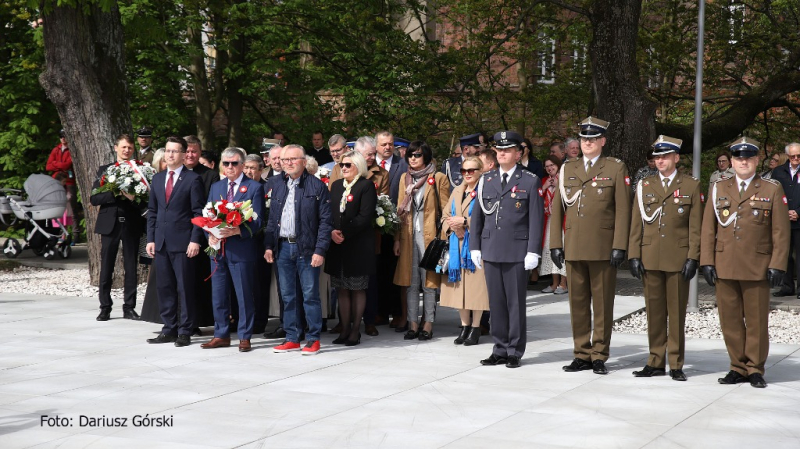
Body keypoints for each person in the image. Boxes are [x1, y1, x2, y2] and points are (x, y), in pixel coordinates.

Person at [700, 137, 789, 388]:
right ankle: (736, 366)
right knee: (729, 320)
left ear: (757, 160)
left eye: (748, 158)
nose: (743, 162)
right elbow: (709, 227)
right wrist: (707, 260)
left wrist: (778, 264)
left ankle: (755, 368)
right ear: (732, 161)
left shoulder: (771, 188)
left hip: (757, 265)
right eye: (739, 158)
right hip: (725, 262)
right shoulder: (719, 187)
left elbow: (780, 231)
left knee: (757, 320)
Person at [550, 116, 631, 375]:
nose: (587, 143)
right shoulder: (568, 168)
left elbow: (622, 210)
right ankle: (581, 353)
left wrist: (620, 245)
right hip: (573, 246)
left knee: (603, 304)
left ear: (602, 141)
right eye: (584, 139)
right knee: (578, 304)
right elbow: (557, 209)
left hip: (602, 247)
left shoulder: (615, 168)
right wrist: (555, 244)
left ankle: (599, 354)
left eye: (593, 139)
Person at [628, 135, 702, 381]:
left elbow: (695, 227)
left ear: (676, 158)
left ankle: (676, 363)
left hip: (678, 257)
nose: (660, 161)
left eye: (665, 156)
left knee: (677, 312)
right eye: (657, 157)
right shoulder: (645, 185)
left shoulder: (690, 185)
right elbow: (636, 223)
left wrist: (693, 257)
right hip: (650, 256)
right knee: (654, 312)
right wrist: (634, 255)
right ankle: (655, 361)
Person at [469, 131, 543, 368]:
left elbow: (536, 220)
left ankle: (514, 350)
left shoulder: (529, 180)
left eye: (507, 149)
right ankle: (499, 348)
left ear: (518, 153)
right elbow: (478, 216)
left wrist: (533, 250)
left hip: (516, 250)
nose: (502, 153)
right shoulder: (486, 179)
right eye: (499, 150)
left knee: (515, 303)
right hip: (490, 248)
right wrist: (475, 247)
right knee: (496, 303)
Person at [264, 144, 332, 355]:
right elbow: (271, 219)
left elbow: (325, 222)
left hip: (307, 249)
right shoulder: (275, 184)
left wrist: (320, 250)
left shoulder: (317, 186)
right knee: (287, 295)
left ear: (304, 161)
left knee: (310, 295)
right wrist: (268, 246)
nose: (289, 163)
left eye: (293, 159)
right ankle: (292, 337)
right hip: (282, 247)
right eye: (285, 160)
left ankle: (313, 338)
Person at [201, 147, 265, 352]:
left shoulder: (253, 187)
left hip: (241, 250)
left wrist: (238, 230)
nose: (230, 167)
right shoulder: (216, 186)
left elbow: (259, 221)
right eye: (226, 163)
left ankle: (245, 335)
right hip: (218, 250)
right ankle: (221, 334)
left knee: (244, 294)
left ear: (242, 165)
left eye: (234, 163)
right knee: (218, 294)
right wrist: (209, 234)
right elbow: (207, 215)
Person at [144, 136, 205, 347]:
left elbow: (199, 213)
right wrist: (150, 238)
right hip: (160, 242)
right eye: (168, 151)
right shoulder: (158, 179)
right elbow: (153, 211)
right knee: (165, 287)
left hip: (183, 243)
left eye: (175, 151)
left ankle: (185, 330)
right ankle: (168, 328)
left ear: (183, 154)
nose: (170, 155)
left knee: (185, 288)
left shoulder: (192, 179)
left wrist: (195, 240)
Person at [393, 141, 449, 341]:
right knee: (411, 282)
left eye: (417, 155)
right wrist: (397, 240)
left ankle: (428, 324)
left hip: (430, 237)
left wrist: (442, 240)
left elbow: (445, 211)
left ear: (426, 156)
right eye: (410, 155)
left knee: (429, 283)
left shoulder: (438, 178)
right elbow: (400, 211)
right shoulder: (404, 178)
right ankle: (412, 323)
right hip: (408, 236)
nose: (413, 158)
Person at [89, 134, 144, 321]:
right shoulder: (105, 170)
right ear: (116, 148)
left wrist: (133, 196)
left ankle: (129, 307)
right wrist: (115, 193)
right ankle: (105, 306)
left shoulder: (140, 170)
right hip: (109, 223)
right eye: (124, 147)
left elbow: (145, 200)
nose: (127, 150)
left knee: (131, 266)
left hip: (131, 223)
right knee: (106, 266)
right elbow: (94, 198)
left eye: (130, 147)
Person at [325, 150, 377, 346]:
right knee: (341, 288)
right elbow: (330, 213)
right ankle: (344, 327)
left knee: (357, 288)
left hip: (358, 244)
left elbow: (365, 216)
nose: (344, 168)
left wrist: (344, 232)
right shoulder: (337, 186)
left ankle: (356, 330)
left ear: (359, 166)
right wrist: (332, 232)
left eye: (348, 165)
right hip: (338, 245)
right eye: (342, 165)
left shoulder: (366, 186)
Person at [440, 156, 489, 346]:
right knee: (459, 288)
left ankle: (476, 327)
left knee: (476, 289)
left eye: (471, 170)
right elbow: (445, 215)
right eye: (464, 171)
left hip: (476, 246)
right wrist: (453, 226)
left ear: (480, 171)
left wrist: (465, 223)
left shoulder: (485, 190)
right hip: (456, 244)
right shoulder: (457, 191)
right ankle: (464, 326)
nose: (467, 174)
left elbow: (488, 219)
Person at [353, 136, 390, 335]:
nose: (372, 157)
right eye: (369, 154)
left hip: (370, 234)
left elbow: (384, 203)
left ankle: (370, 320)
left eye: (373, 154)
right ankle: (346, 321)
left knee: (370, 280)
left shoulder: (381, 174)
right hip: (347, 236)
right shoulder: (342, 168)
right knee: (345, 280)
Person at [373, 131, 409, 331]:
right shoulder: (369, 165)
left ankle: (397, 312)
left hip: (394, 225)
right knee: (377, 270)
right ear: (376, 146)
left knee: (393, 270)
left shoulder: (402, 165)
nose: (388, 147)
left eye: (391, 144)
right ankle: (379, 311)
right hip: (373, 227)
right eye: (384, 144)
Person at [767, 142, 800, 298]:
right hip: (783, 220)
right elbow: (773, 195)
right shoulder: (778, 172)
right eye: (793, 156)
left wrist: (798, 212)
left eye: (799, 156)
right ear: (788, 156)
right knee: (784, 255)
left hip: (799, 220)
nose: (796, 159)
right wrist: (783, 212)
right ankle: (787, 286)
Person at [539, 155, 568, 295]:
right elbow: (537, 198)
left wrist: (559, 186)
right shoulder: (544, 180)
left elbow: (570, 198)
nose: (550, 168)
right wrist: (544, 188)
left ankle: (563, 283)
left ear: (558, 165)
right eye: (547, 166)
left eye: (552, 165)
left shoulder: (565, 178)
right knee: (550, 250)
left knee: (561, 249)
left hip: (563, 220)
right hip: (549, 220)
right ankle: (554, 282)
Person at [47, 129, 79, 243]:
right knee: (57, 208)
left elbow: (67, 165)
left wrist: (56, 164)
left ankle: (75, 235)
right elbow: (48, 166)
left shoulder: (72, 150)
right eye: (61, 136)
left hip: (68, 182)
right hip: (56, 181)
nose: (63, 138)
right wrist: (60, 166)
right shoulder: (56, 149)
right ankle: (58, 233)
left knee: (71, 207)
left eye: (65, 136)